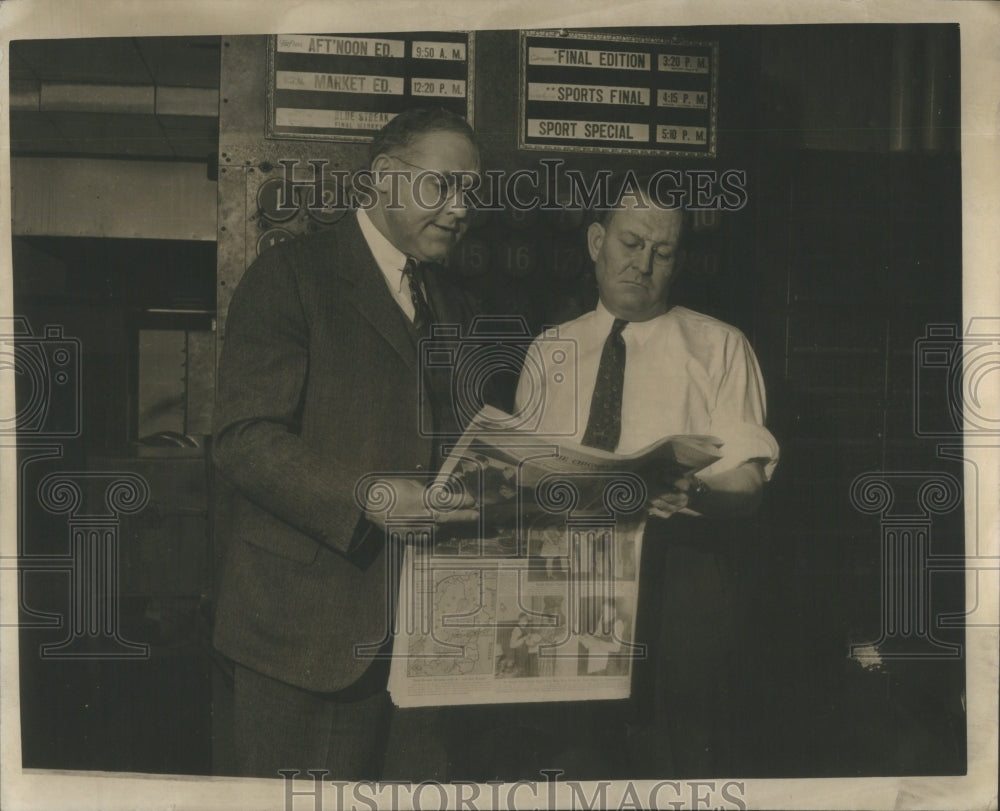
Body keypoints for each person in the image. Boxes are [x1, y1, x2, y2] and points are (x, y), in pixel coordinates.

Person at [211, 107, 480, 779]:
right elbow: (243, 437)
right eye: (444, 186)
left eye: (471, 192)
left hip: (425, 647)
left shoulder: (455, 303)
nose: (461, 209)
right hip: (303, 640)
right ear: (387, 177)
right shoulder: (291, 275)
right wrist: (370, 496)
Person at [514, 178, 780, 775]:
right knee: (574, 762)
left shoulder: (720, 346)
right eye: (632, 243)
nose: (643, 264)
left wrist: (699, 491)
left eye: (663, 253)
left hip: (682, 582)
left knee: (679, 761)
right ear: (595, 241)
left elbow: (750, 485)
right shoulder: (549, 349)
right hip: (571, 585)